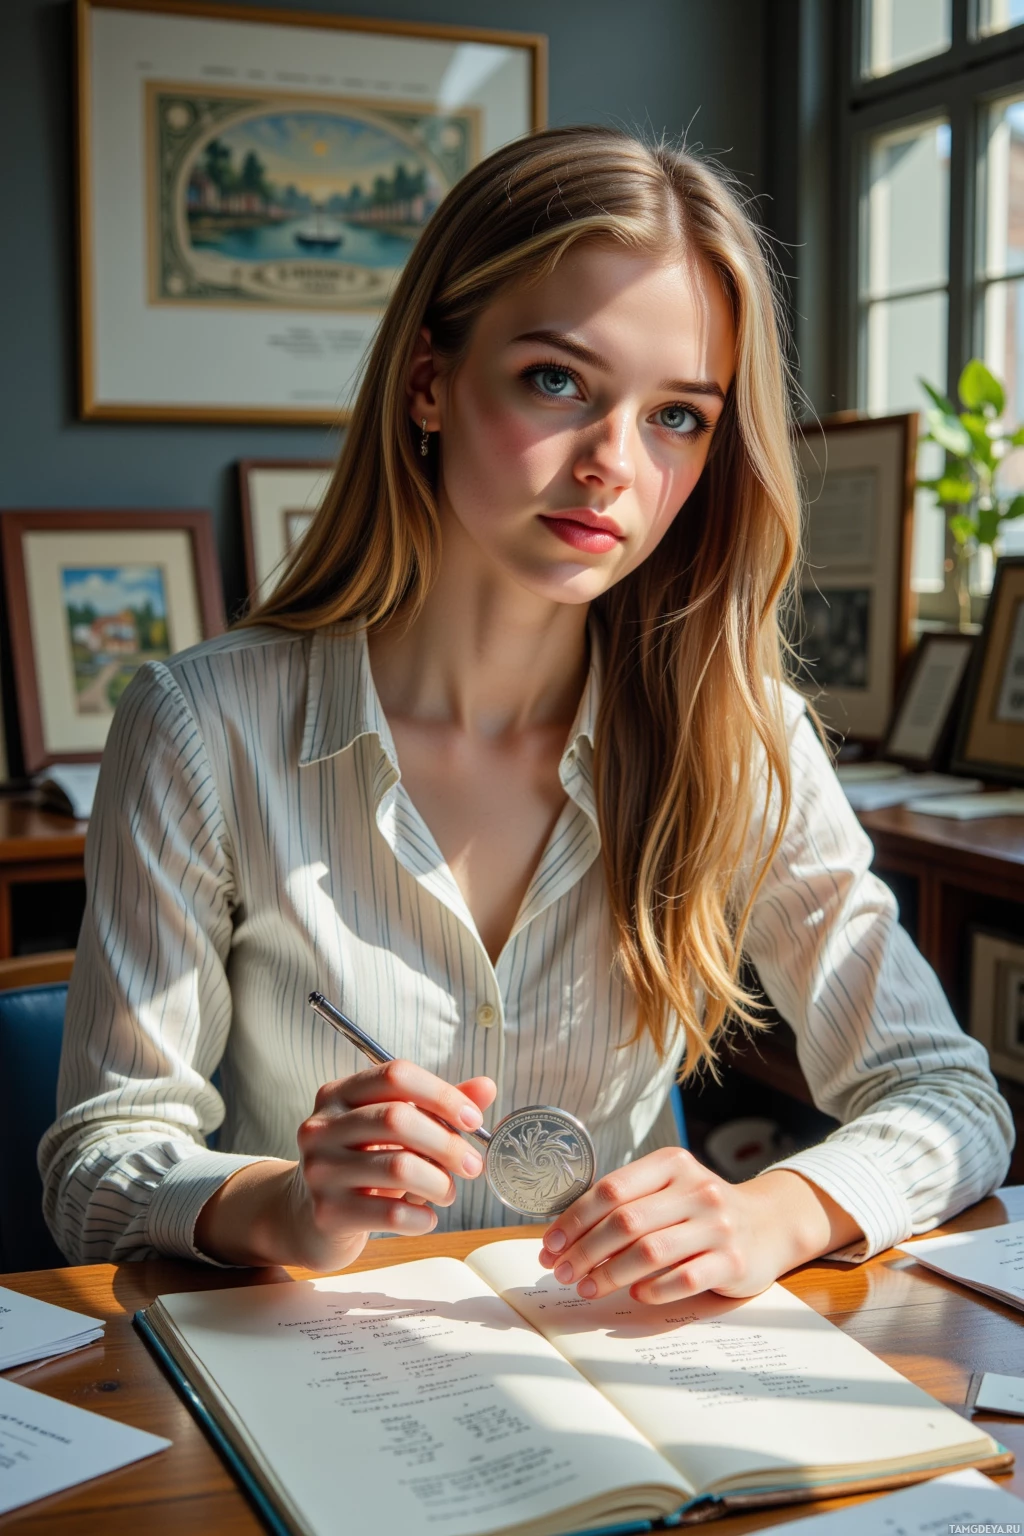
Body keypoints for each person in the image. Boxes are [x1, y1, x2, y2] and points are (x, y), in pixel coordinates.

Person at [41, 127, 1012, 1305]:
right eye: (559, 381)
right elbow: (97, 1160)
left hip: (634, 1384)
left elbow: (950, 1095)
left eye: (678, 417)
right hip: (311, 1378)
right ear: (430, 383)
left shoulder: (738, 736)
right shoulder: (201, 727)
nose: (614, 463)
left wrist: (769, 1212)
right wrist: (286, 1205)